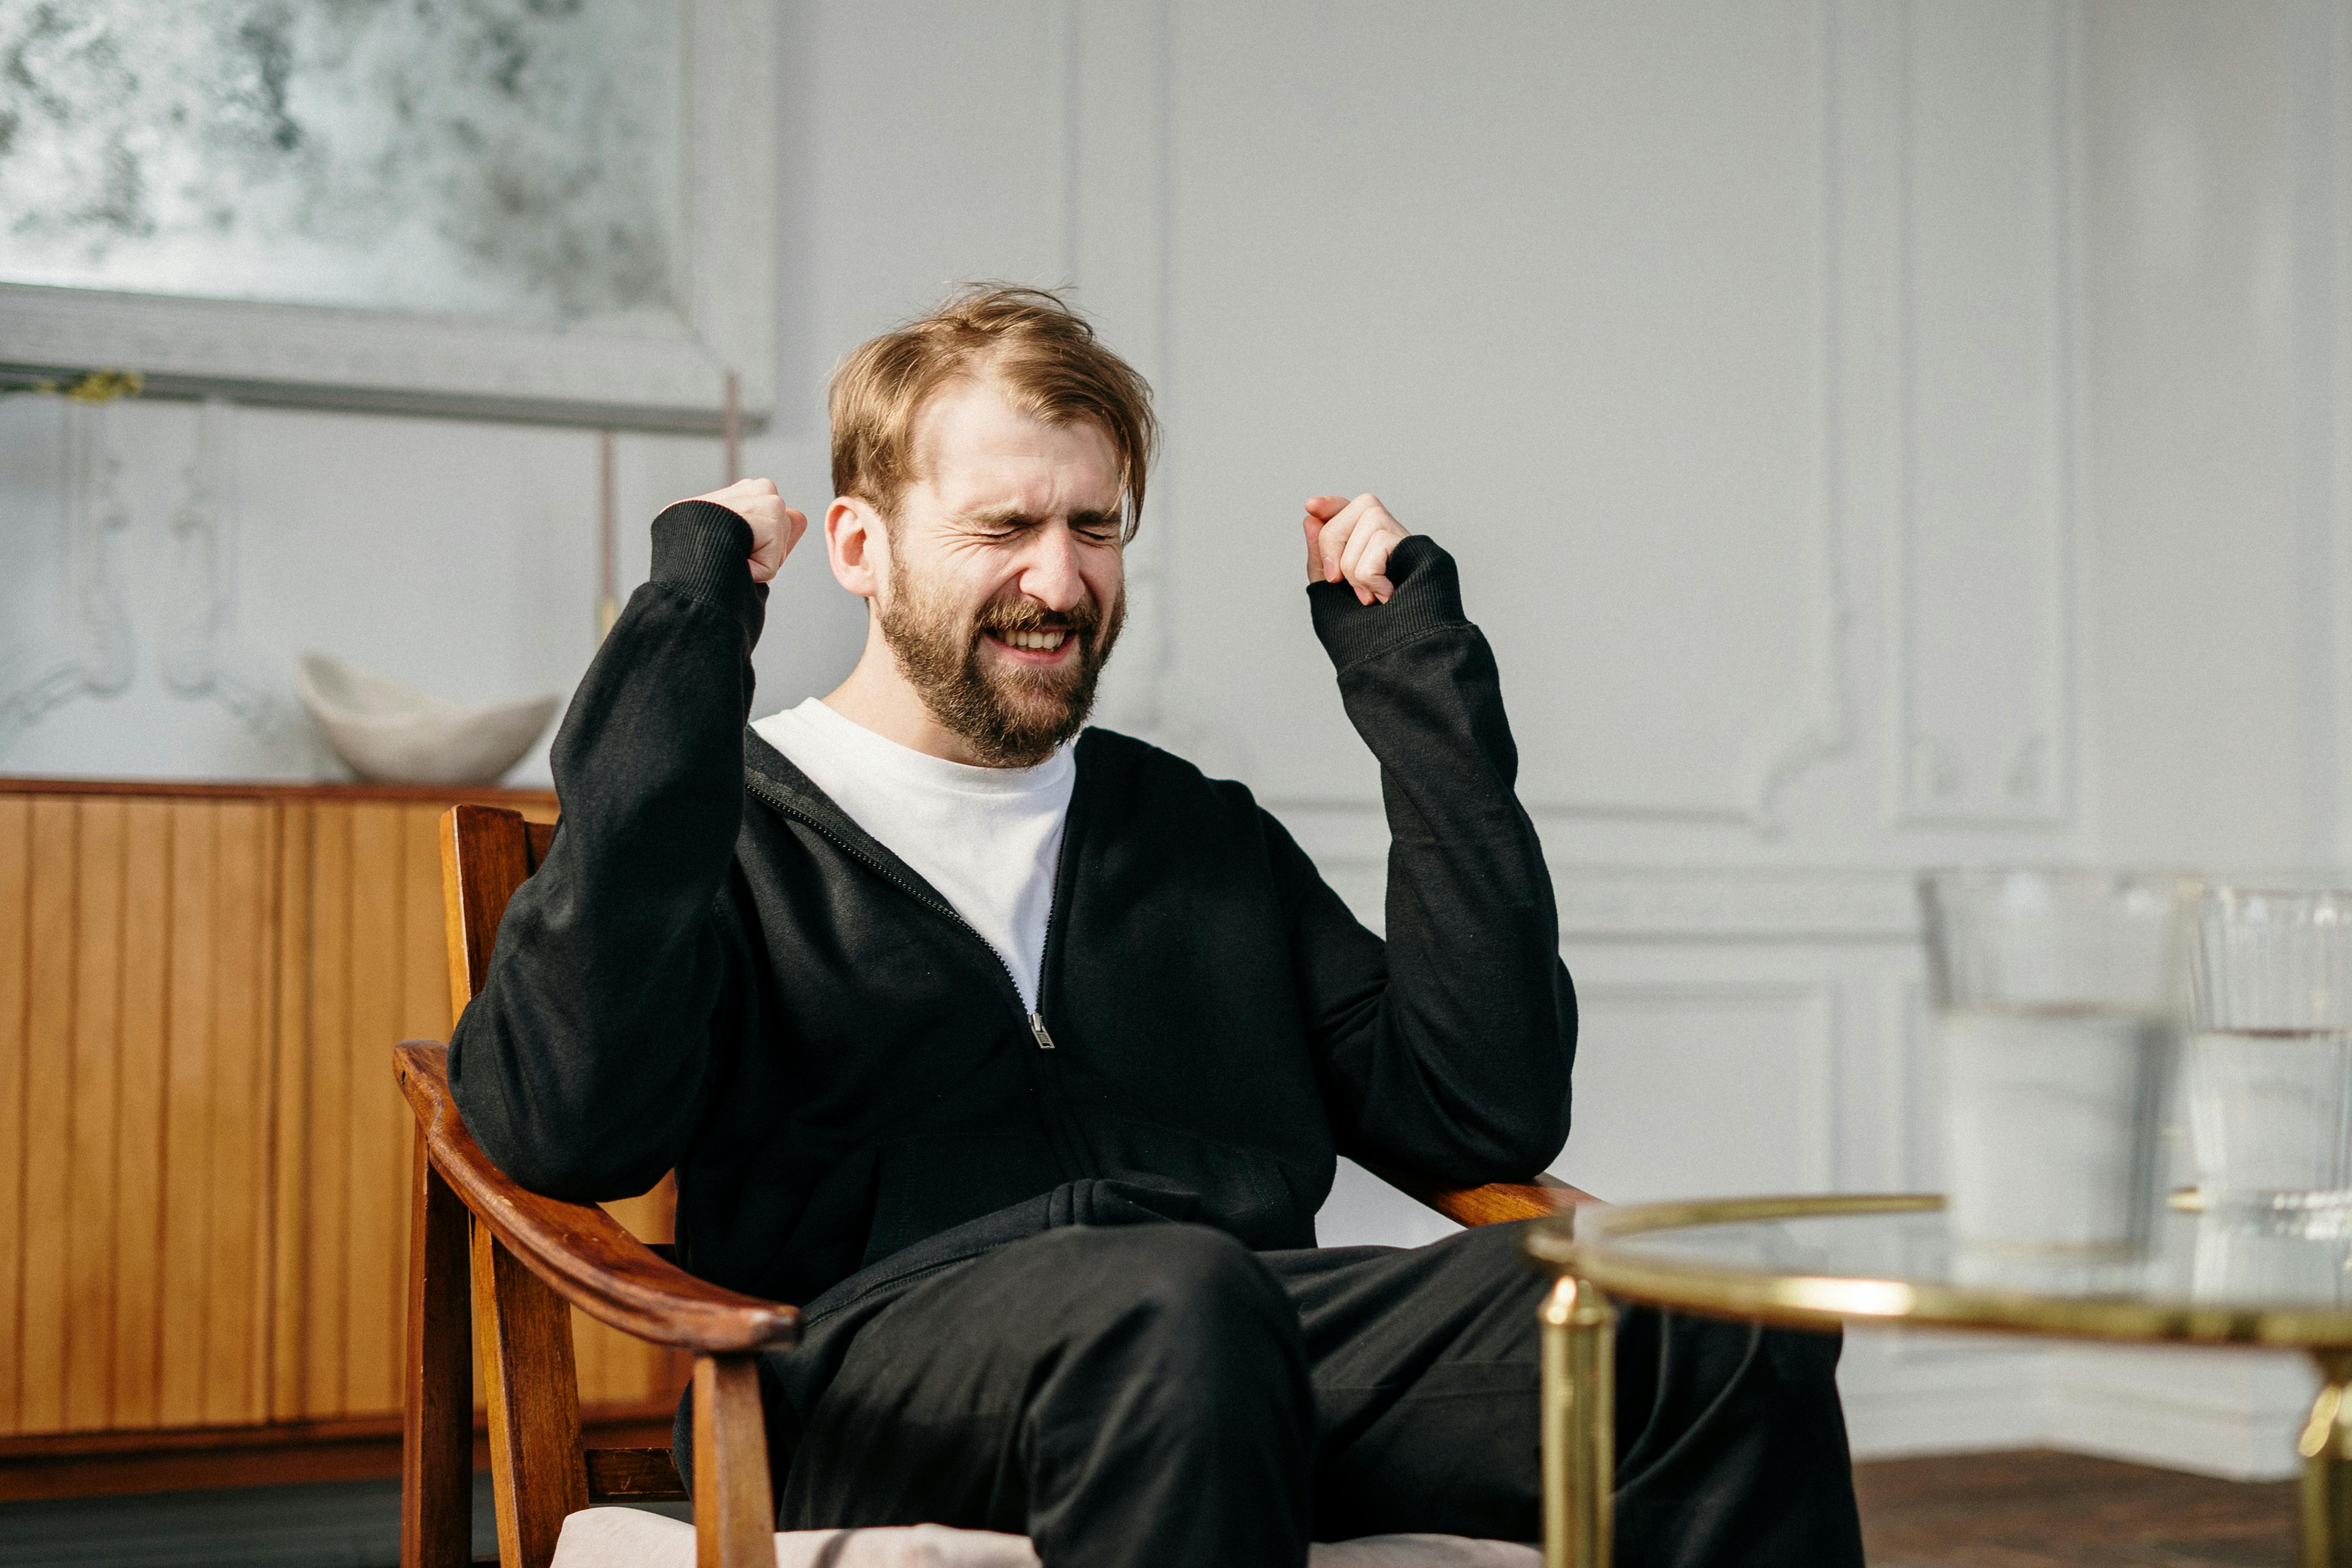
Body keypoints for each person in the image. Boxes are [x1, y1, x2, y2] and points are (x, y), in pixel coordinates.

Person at [448, 285, 1864, 1567]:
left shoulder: (1196, 837)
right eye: (1003, 528)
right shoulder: (732, 826)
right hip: (844, 1380)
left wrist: (1418, 688)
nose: (1059, 582)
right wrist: (691, 623)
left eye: (1094, 528)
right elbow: (566, 1127)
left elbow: (1484, 1110)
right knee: (1182, 1305)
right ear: (861, 549)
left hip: (1236, 1340)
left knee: (1714, 1318)